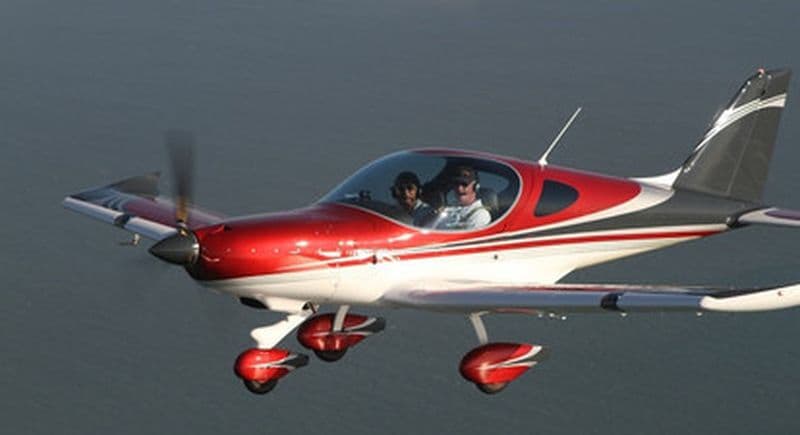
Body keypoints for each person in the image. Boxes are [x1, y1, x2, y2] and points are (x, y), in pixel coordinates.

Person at [432, 166, 491, 230]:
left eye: (464, 184)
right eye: (456, 184)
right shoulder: (447, 210)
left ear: (475, 187)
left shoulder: (480, 215)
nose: (459, 189)